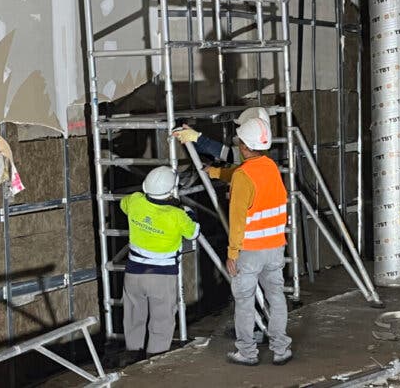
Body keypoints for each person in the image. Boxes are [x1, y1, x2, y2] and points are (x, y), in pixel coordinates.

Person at [207, 117, 293, 366]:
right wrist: (214, 172)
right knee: (276, 296)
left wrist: (232, 253)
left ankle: (247, 352)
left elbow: (237, 220)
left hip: (250, 250)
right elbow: (241, 175)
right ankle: (281, 349)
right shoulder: (271, 167)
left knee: (244, 302)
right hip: (275, 246)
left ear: (244, 146)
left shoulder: (244, 176)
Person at [118, 166, 199, 364]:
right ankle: (155, 362)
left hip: (133, 274)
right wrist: (188, 211)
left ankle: (133, 358)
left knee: (133, 316)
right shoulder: (177, 215)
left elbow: (123, 204)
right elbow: (193, 233)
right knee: (161, 321)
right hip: (162, 276)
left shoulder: (136, 201)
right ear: (171, 191)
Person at [172, 106, 271, 165]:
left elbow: (226, 154)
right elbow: (227, 154)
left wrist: (197, 137)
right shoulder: (264, 159)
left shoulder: (246, 169)